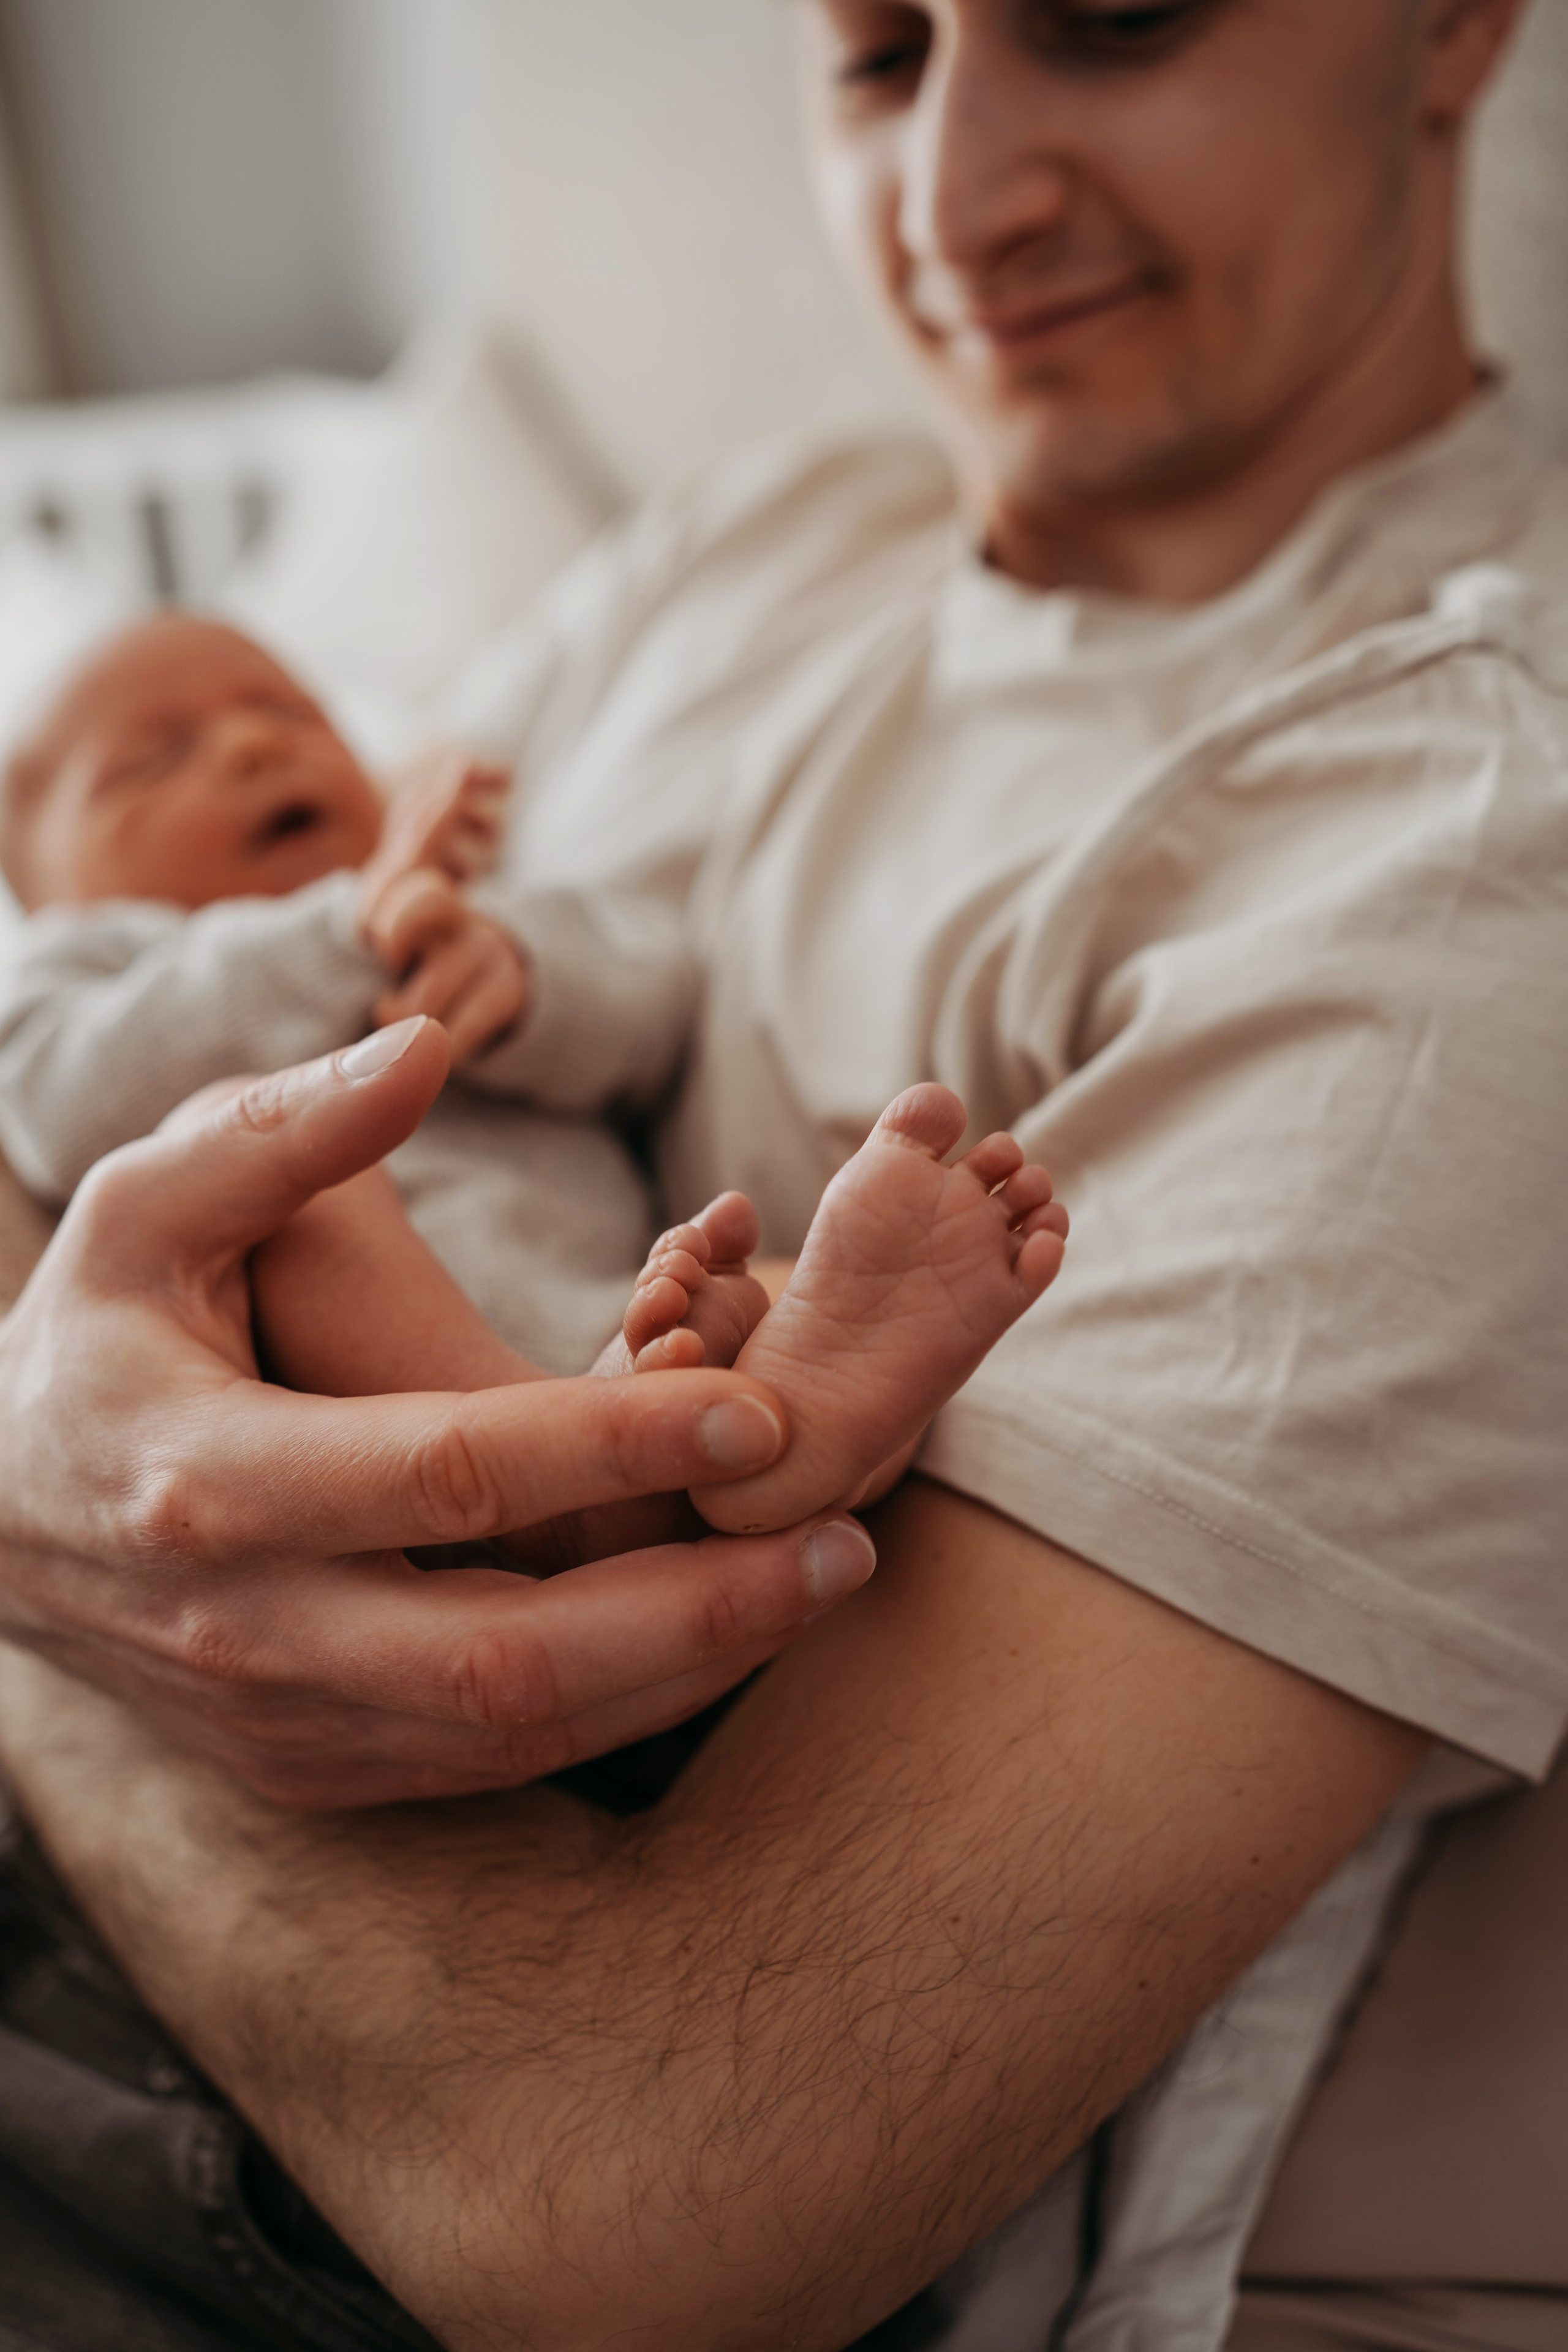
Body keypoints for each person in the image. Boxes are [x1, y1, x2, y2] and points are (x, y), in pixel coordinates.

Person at [1, 2, 1566, 2349]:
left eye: (1113, 20)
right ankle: (716, 1413)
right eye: (873, 56)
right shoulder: (766, 538)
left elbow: (621, 2202)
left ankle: (720, 1430)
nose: (953, 207)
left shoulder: (1469, 819)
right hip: (405, 1571)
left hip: (329, 2106)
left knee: (332, 1192)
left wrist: (51, 1597)